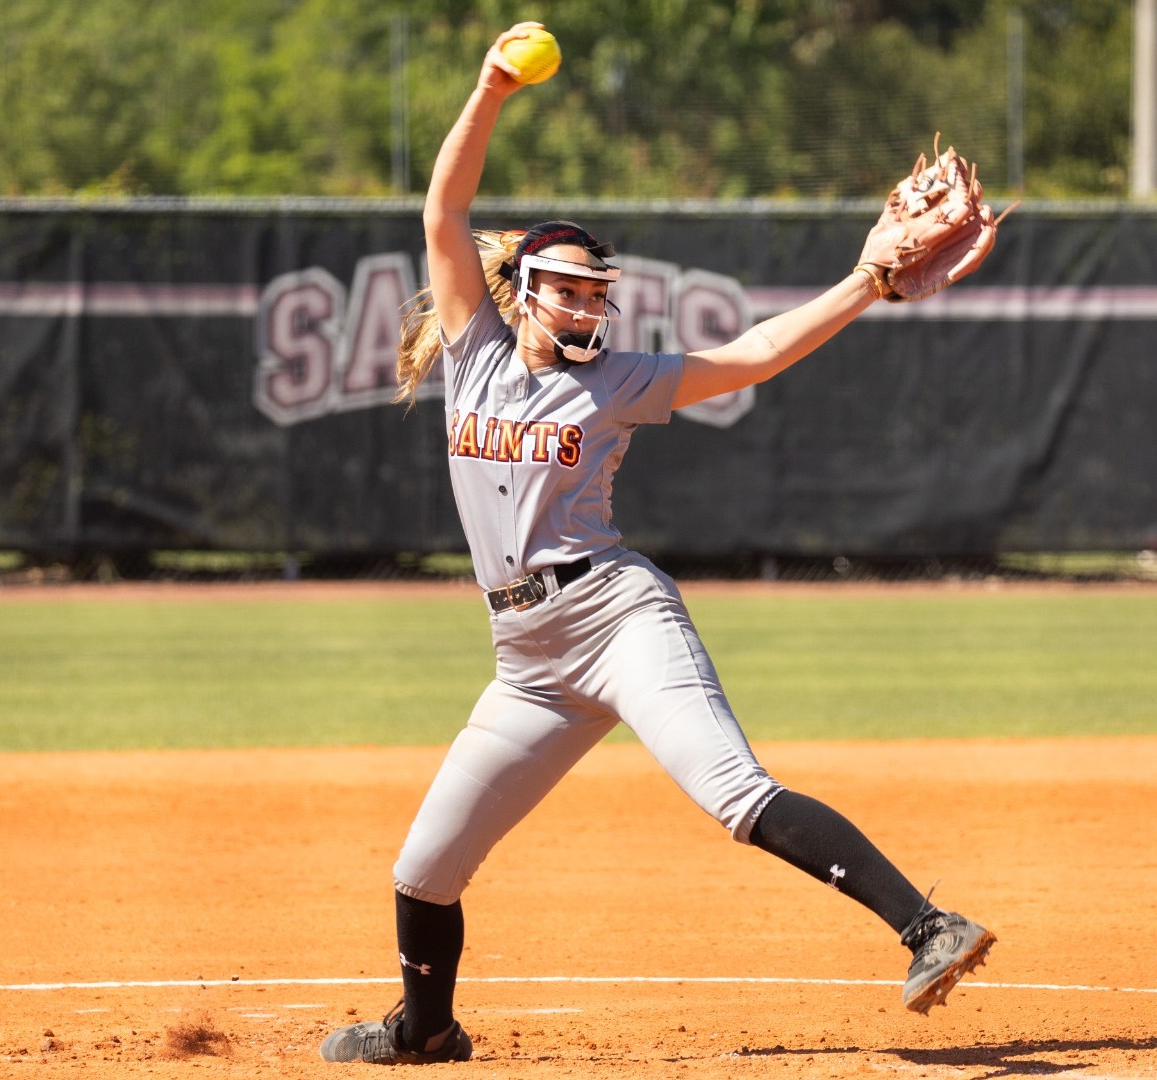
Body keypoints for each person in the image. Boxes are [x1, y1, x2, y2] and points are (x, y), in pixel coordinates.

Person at [318, 24, 999, 1066]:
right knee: (424, 869)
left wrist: (869, 280)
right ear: (527, 292)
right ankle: (425, 1029)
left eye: (601, 292)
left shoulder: (620, 382)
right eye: (573, 290)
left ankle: (929, 929)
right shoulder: (477, 356)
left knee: (734, 793)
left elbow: (756, 353)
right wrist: (492, 86)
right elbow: (443, 209)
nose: (591, 305)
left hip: (616, 616)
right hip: (526, 663)